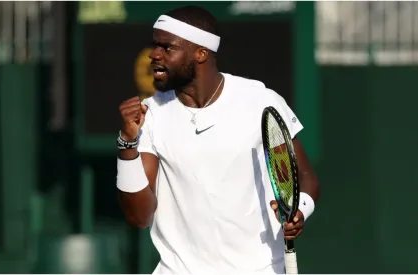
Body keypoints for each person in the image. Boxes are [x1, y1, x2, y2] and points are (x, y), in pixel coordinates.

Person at [116, 5, 320, 274]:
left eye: (167, 47)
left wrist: (299, 211)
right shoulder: (150, 114)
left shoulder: (259, 100)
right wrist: (127, 145)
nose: (154, 55)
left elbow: (305, 178)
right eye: (155, 45)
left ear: (200, 53)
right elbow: (139, 217)